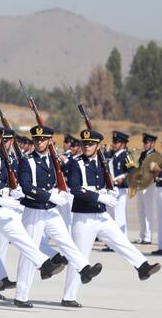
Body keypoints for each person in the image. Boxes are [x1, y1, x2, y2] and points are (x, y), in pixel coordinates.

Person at [0, 123, 65, 309]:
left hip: (5, 206)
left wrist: (14, 191)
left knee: (22, 237)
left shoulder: (6, 159)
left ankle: (44, 264)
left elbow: (10, 181)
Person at [60, 129, 161, 307]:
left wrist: (110, 191)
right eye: (84, 144)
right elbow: (75, 188)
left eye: (91, 144)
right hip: (84, 217)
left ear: (98, 145)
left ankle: (142, 267)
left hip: (101, 215)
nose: (87, 146)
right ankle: (69, 297)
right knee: (80, 256)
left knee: (121, 240)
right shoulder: (77, 164)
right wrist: (99, 196)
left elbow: (106, 182)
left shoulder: (103, 163)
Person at [14, 125, 102, 308]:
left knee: (67, 242)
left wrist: (61, 191)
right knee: (29, 252)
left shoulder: (55, 160)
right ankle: (21, 296)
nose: (39, 143)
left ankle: (84, 269)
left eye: (43, 140)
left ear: (49, 141)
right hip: (35, 210)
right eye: (36, 140)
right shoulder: (26, 161)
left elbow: (68, 175)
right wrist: (49, 195)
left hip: (51, 210)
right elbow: (26, 186)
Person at [107, 131, 136, 235]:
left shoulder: (126, 156)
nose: (113, 144)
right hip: (112, 189)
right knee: (111, 216)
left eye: (116, 142)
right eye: (113, 141)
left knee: (119, 216)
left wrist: (123, 180)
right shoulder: (113, 155)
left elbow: (133, 172)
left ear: (123, 143)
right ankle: (113, 239)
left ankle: (121, 237)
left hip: (120, 189)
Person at [135, 133, 158, 244]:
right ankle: (142, 235)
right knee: (141, 211)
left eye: (146, 142)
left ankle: (148, 237)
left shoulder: (155, 155)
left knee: (148, 211)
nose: (144, 144)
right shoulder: (143, 154)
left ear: (152, 143)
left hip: (149, 185)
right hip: (141, 185)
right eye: (144, 142)